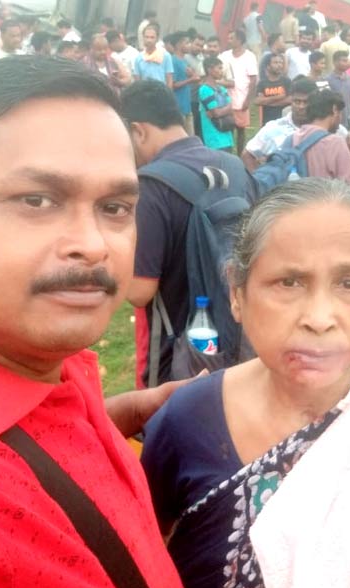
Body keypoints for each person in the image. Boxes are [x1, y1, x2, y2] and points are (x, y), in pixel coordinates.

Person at [0, 54, 187, 588]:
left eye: (116, 207)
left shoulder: (48, 365)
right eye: (37, 200)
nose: (94, 243)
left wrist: (99, 428)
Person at [141, 178, 350, 588]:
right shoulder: (187, 421)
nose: (319, 317)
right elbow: (143, 559)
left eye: (349, 284)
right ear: (237, 291)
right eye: (289, 283)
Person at [123, 80, 253, 385]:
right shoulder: (234, 167)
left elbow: (139, 292)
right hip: (242, 336)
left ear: (138, 130)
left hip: (178, 351)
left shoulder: (151, 185)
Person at [241, 77, 317, 172]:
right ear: (291, 101)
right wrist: (258, 182)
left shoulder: (326, 129)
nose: (301, 107)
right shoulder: (274, 129)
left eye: (306, 102)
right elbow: (248, 154)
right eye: (297, 102)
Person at [292, 90, 350, 187]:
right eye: (340, 113)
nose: (340, 119)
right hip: (324, 200)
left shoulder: (292, 138)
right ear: (334, 110)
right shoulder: (335, 142)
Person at [218, 28, 257, 153]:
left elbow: (253, 79)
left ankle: (240, 154)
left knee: (241, 129)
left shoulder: (249, 56)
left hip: (241, 99)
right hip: (226, 99)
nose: (229, 40)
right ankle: (228, 152)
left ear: (239, 40)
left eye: (232, 38)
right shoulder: (224, 56)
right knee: (227, 128)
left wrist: (248, 100)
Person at [198, 57, 235, 152]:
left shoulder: (221, 88)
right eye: (219, 68)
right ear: (210, 70)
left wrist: (220, 111)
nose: (221, 71)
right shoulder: (205, 89)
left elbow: (230, 107)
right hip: (214, 138)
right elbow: (217, 113)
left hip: (227, 135)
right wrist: (225, 109)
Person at [170, 31, 200, 135]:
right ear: (179, 44)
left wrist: (192, 75)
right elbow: (173, 85)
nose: (189, 45)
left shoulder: (184, 60)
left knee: (190, 136)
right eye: (187, 43)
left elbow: (195, 77)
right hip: (178, 106)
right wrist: (191, 80)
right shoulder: (173, 61)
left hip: (187, 106)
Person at [134, 23, 173, 88]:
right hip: (144, 93)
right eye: (147, 37)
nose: (149, 40)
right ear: (143, 38)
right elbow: (137, 80)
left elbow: (169, 79)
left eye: (152, 37)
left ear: (157, 39)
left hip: (161, 93)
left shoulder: (165, 55)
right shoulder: (139, 58)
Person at [256, 53, 291, 125]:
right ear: (268, 66)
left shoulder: (286, 81)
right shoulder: (262, 83)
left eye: (281, 63)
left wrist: (268, 102)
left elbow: (290, 99)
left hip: (284, 120)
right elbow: (258, 101)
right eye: (276, 63)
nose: (279, 65)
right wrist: (278, 97)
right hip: (267, 121)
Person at [327, 49, 350, 127]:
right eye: (344, 61)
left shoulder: (349, 79)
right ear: (335, 62)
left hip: (348, 119)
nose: (347, 63)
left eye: (347, 61)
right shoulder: (328, 80)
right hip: (335, 120)